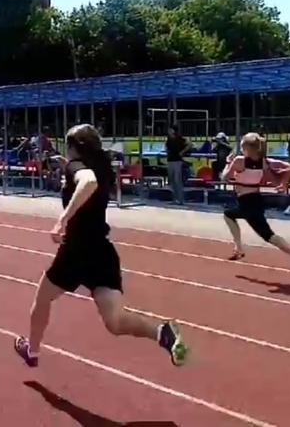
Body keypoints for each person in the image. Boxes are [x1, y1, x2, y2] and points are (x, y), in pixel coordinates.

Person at [14, 124, 188, 368]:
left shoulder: (80, 169)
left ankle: (32, 350)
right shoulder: (101, 167)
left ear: (74, 147)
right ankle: (161, 332)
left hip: (75, 252)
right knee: (115, 322)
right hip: (101, 252)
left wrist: (62, 219)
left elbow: (88, 182)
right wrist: (68, 167)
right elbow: (89, 179)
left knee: (42, 299)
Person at [221, 133, 290, 274]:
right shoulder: (264, 162)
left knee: (267, 235)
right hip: (255, 200)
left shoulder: (239, 161)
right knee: (266, 234)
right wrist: (283, 182)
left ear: (246, 148)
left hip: (247, 202)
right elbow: (288, 166)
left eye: (242, 147)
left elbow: (224, 177)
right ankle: (239, 248)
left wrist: (228, 162)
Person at [165, 124, 192, 205]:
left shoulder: (179, 138)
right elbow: (166, 147)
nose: (169, 131)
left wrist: (182, 152)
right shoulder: (169, 139)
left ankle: (180, 199)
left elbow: (190, 144)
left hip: (177, 161)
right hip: (170, 160)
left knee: (177, 180)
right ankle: (174, 199)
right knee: (172, 180)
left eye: (170, 130)